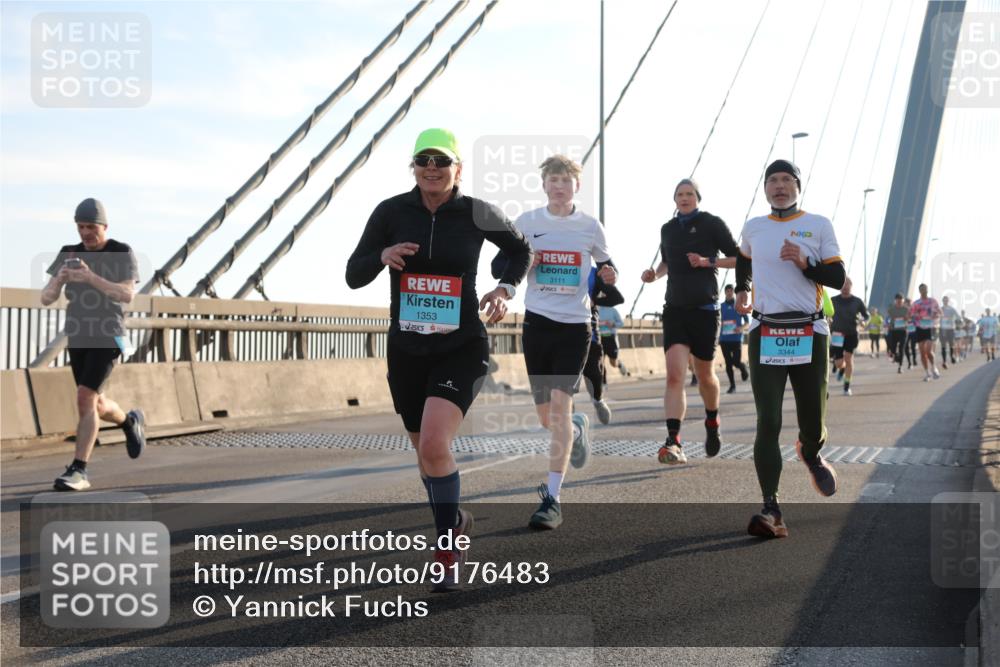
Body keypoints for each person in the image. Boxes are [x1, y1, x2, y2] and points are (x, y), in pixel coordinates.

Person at [346, 128, 530, 590]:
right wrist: (382, 255)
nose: (432, 168)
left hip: (461, 345)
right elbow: (353, 274)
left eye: (442, 161)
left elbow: (520, 249)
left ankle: (447, 549)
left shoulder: (477, 212)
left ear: (458, 169)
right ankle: (455, 520)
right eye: (424, 160)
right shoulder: (391, 212)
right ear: (413, 166)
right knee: (425, 455)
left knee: (433, 443)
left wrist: (504, 288)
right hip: (407, 350)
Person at [493, 154, 617, 530]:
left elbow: (607, 265)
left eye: (566, 180)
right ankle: (576, 429)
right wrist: (525, 263)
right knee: (548, 418)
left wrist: (609, 273)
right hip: (537, 324)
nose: (560, 186)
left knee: (559, 411)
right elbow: (499, 266)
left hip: (574, 327)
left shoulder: (590, 226)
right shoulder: (527, 222)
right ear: (544, 184)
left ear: (577, 186)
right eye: (554, 180)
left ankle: (552, 498)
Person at [733, 160, 844, 539]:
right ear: (765, 188)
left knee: (812, 419)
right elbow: (744, 258)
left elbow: (837, 277)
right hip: (765, 330)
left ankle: (810, 451)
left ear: (798, 186)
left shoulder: (819, 225)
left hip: (810, 329)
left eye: (786, 180)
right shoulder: (754, 226)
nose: (779, 186)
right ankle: (772, 509)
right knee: (768, 420)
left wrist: (806, 262)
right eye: (772, 180)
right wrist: (742, 289)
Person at [41, 198, 147, 491]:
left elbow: (127, 294)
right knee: (96, 403)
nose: (85, 233)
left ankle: (79, 470)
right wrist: (59, 279)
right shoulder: (69, 253)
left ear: (104, 226)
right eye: (81, 227)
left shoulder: (120, 251)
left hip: (108, 334)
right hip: (78, 335)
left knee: (84, 397)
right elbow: (46, 298)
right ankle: (129, 421)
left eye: (91, 227)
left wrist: (89, 277)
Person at [640, 178, 738, 464]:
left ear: (698, 198)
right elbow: (666, 262)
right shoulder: (667, 229)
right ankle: (673, 441)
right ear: (675, 199)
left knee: (705, 376)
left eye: (689, 194)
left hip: (705, 310)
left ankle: (712, 421)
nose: (684, 198)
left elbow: (738, 258)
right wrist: (654, 275)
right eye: (680, 194)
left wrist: (707, 262)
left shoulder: (712, 224)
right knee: (675, 376)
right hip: (675, 309)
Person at [582, 267, 625, 425]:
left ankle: (598, 399)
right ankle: (569, 423)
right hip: (563, 333)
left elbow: (618, 299)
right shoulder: (555, 267)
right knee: (566, 380)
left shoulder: (594, 273)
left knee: (597, 370)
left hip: (599, 336)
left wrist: (594, 301)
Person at [830, 277, 868, 396]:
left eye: (847, 284)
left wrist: (863, 321)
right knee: (839, 363)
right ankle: (842, 369)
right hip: (837, 334)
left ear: (851, 286)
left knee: (848, 358)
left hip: (851, 334)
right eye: (843, 284)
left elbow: (866, 316)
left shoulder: (857, 301)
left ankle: (846, 387)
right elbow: (825, 313)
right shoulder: (833, 300)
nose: (845, 287)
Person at [719, 284, 750, 394]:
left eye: (731, 291)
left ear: (733, 293)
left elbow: (747, 322)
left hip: (736, 339)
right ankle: (732, 386)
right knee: (728, 363)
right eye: (727, 291)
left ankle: (742, 367)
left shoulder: (739, 306)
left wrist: (741, 328)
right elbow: (716, 320)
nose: (729, 293)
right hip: (724, 339)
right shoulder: (721, 306)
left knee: (736, 362)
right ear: (725, 293)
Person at [909, 283, 942, 381]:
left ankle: (934, 368)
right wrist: (916, 317)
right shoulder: (916, 303)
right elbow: (911, 315)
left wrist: (936, 316)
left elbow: (940, 313)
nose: (924, 291)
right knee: (922, 352)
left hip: (931, 327)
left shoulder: (933, 301)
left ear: (927, 290)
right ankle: (927, 373)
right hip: (920, 328)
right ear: (919, 291)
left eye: (925, 289)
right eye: (922, 289)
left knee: (928, 350)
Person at [598, 304, 628, 378]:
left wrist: (613, 324)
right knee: (600, 362)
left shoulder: (613, 310)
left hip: (611, 339)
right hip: (600, 339)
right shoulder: (596, 309)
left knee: (613, 363)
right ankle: (603, 381)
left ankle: (619, 364)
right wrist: (598, 324)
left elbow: (621, 323)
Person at [939, 295, 959, 368]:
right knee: (943, 345)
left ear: (948, 301)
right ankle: (944, 361)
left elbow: (958, 317)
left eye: (946, 300)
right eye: (944, 300)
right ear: (942, 301)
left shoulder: (952, 309)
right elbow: (936, 317)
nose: (945, 301)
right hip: (942, 329)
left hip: (950, 329)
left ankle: (952, 356)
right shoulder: (940, 309)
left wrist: (954, 320)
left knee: (951, 344)